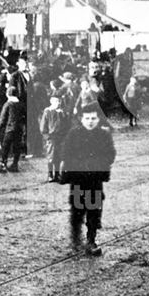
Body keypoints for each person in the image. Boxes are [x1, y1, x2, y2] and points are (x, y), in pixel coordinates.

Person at [59, 104, 116, 257]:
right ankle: (76, 240)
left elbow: (110, 154)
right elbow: (65, 154)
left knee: (94, 211)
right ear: (81, 119)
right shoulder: (73, 134)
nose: (90, 121)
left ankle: (91, 240)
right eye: (87, 118)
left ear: (98, 119)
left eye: (93, 118)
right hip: (78, 180)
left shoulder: (104, 135)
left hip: (95, 180)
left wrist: (98, 165)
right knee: (77, 211)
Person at [40, 94, 69, 182]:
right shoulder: (48, 111)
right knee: (51, 156)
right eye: (56, 101)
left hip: (60, 137)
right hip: (51, 137)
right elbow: (43, 126)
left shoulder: (62, 112)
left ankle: (57, 174)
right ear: (51, 101)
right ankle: (50, 175)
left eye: (59, 101)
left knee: (58, 156)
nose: (58, 103)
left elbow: (66, 125)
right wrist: (47, 136)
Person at [0, 86, 24, 173]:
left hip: (9, 128)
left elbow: (3, 118)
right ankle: (15, 164)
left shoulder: (7, 104)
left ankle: (3, 163)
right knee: (17, 146)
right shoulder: (21, 104)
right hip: (19, 128)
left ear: (7, 94)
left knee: (6, 146)